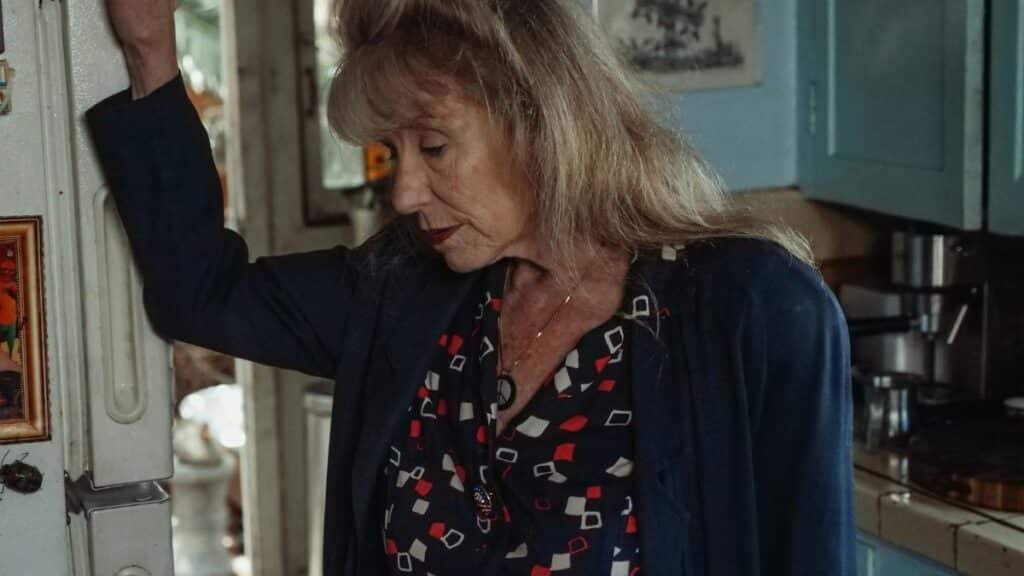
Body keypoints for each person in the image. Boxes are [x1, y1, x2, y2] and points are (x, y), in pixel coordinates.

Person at [93, 1, 854, 574]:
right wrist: (150, 50)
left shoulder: (753, 308)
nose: (404, 193)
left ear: (539, 119)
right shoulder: (403, 293)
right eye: (392, 153)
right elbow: (202, 294)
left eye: (433, 146)